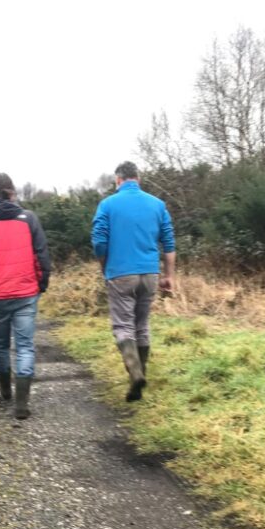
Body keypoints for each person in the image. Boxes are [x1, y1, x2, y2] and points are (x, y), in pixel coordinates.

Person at [0, 173, 51, 419]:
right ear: (12, 192)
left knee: (0, 344)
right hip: (26, 292)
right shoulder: (30, 219)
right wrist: (41, 284)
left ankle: (5, 389)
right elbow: (42, 256)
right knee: (25, 346)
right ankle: (21, 403)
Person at [91, 161, 176, 401]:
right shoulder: (157, 205)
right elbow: (169, 244)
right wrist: (169, 276)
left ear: (118, 180)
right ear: (138, 179)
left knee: (123, 326)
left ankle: (135, 373)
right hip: (150, 274)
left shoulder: (107, 204)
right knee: (142, 325)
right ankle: (141, 373)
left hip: (120, 273)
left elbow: (99, 241)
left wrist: (104, 265)